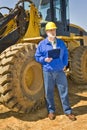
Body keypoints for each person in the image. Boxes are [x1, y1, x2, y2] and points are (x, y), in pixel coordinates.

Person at [35, 22, 76, 121]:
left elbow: (66, 54)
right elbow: (37, 56)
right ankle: (51, 111)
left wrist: (65, 64)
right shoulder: (42, 44)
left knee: (64, 91)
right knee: (49, 92)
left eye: (54, 30)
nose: (53, 32)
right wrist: (44, 59)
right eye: (50, 30)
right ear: (46, 32)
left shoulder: (61, 43)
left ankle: (68, 111)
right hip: (48, 71)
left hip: (60, 71)